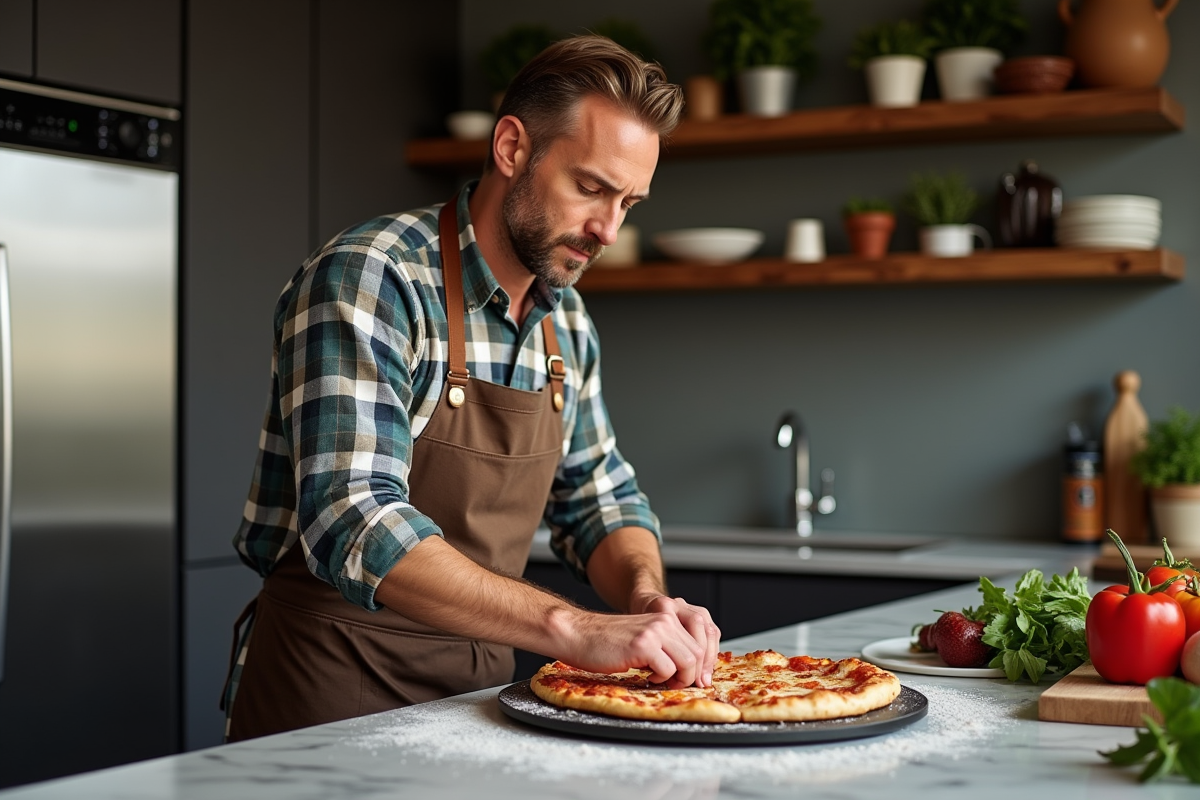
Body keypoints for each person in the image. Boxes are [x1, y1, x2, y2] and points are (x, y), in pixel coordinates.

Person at [222, 34, 720, 742]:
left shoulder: (566, 322)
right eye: (590, 188)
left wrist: (647, 600)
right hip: (329, 697)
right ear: (512, 147)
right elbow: (354, 517)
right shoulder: (375, 277)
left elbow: (599, 498)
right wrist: (573, 627)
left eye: (629, 203)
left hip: (478, 703)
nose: (608, 229)